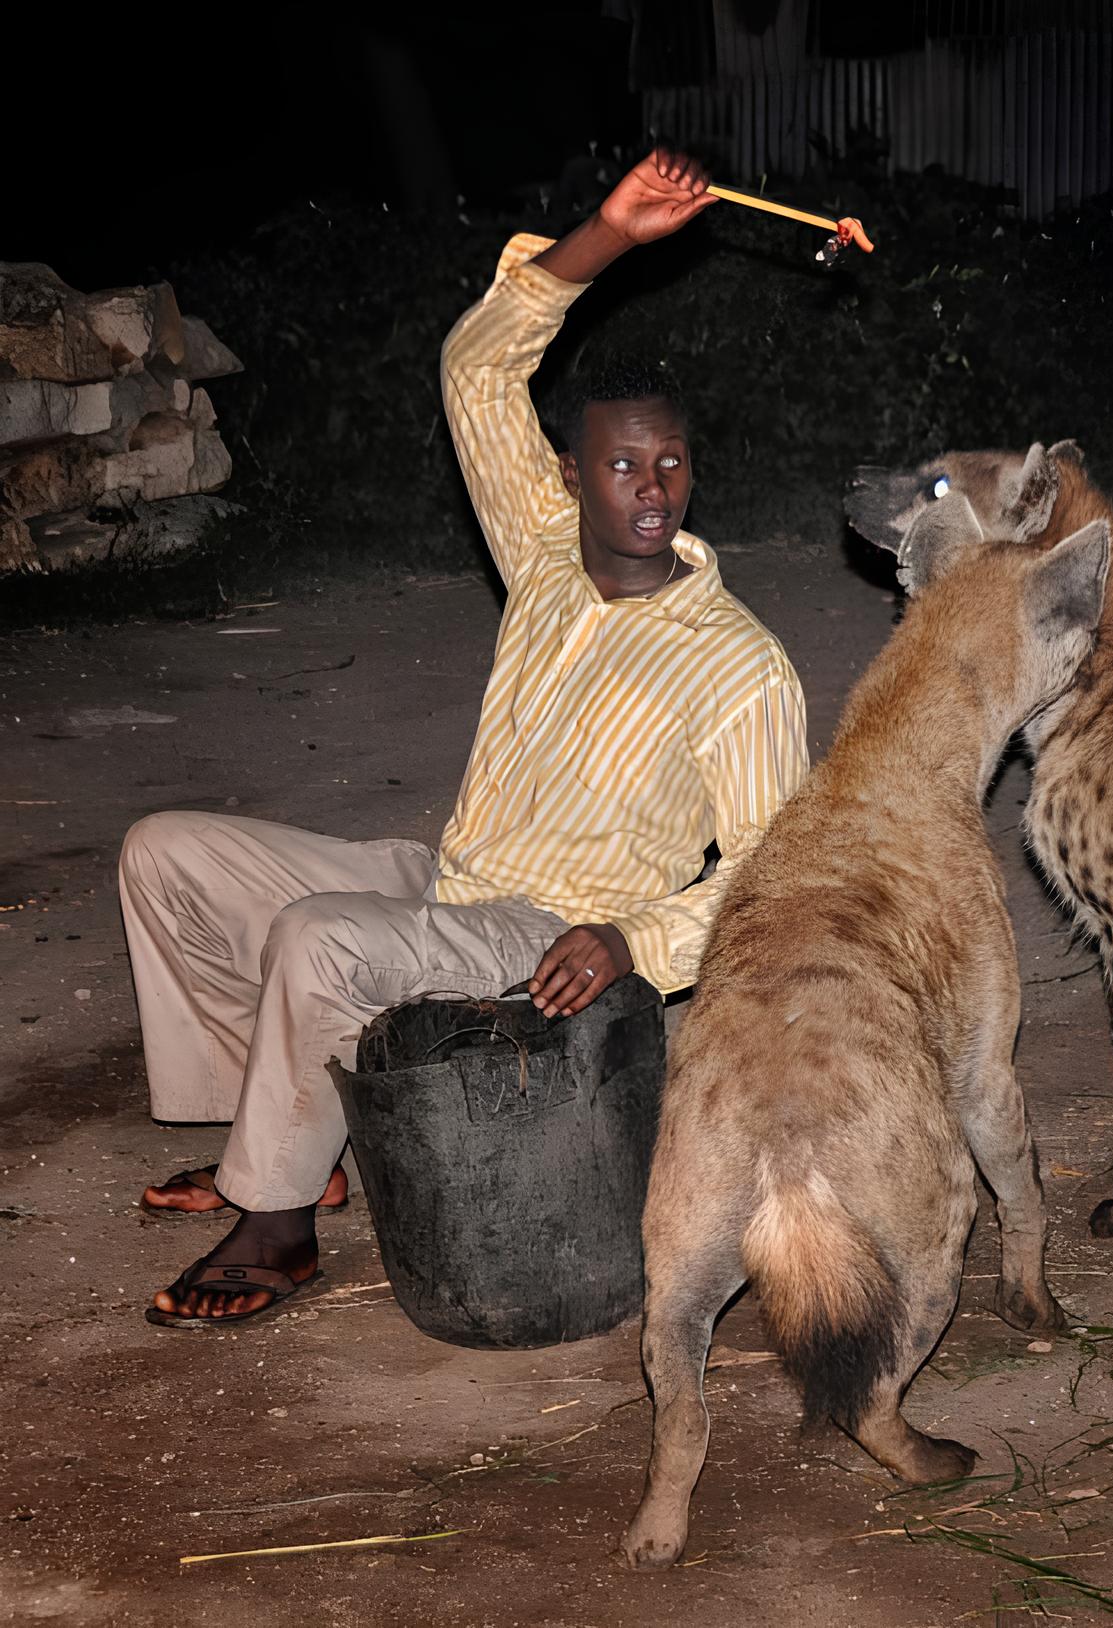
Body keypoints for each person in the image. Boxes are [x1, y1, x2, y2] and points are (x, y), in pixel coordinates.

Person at [123, 150, 808, 1325]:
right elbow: (477, 366)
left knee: (318, 941)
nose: (652, 488)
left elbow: (775, 879)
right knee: (164, 854)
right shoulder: (542, 551)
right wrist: (607, 231)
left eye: (671, 461)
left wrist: (632, 936)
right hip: (449, 878)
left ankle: (278, 1222)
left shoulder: (739, 664)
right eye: (623, 463)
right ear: (570, 474)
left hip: (545, 930)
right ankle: (298, 1139)